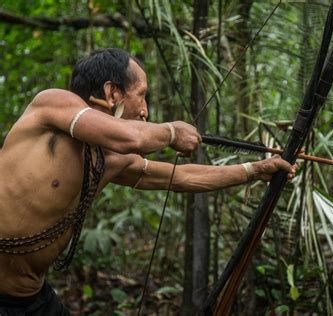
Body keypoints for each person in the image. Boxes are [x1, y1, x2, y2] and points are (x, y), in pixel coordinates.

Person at [0, 48, 296, 314]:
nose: (145, 110)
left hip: (31, 297)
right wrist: (171, 132)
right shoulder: (52, 103)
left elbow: (181, 176)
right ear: (112, 93)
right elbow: (130, 136)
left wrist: (255, 169)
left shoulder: (112, 159)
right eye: (141, 95)